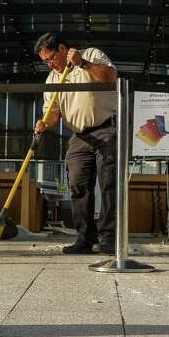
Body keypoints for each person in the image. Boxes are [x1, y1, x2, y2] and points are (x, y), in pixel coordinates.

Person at [34, 32, 118, 255]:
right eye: (45, 61)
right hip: (79, 136)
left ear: (62, 49)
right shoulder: (52, 79)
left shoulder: (91, 55)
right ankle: (85, 238)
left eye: (51, 58)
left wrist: (83, 64)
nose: (49, 65)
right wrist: (45, 123)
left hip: (105, 129)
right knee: (78, 185)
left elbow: (111, 78)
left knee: (109, 183)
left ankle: (109, 238)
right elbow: (54, 112)